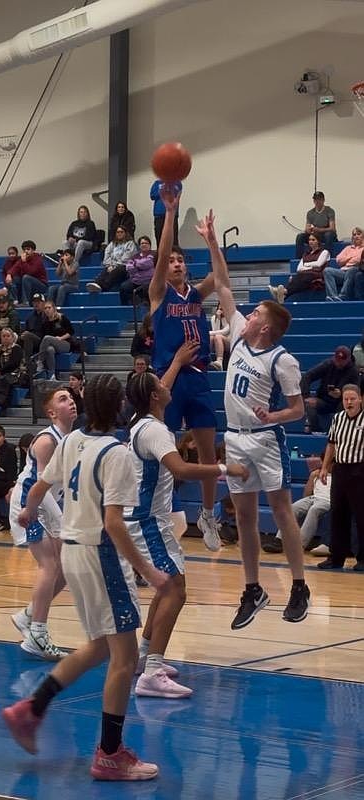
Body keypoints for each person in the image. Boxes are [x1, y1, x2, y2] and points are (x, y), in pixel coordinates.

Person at [2, 374, 168, 781]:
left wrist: (27, 511)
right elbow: (114, 522)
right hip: (100, 554)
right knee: (126, 658)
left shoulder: (71, 441)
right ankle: (110, 754)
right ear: (122, 409)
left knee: (99, 648)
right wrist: (147, 569)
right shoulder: (117, 454)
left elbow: (40, 484)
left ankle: (31, 708)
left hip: (74, 554)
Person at [197, 208, 310, 627]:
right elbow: (223, 284)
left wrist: (273, 412)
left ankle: (299, 585)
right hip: (236, 436)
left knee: (280, 509)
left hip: (265, 439)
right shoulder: (241, 333)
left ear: (265, 327)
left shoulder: (283, 359)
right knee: (242, 515)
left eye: (257, 314)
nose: (249, 315)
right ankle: (252, 589)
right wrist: (211, 240)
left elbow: (297, 410)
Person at [125, 349, 248, 699]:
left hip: (147, 519)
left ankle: (145, 655)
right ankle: (151, 674)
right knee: (177, 591)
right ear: (154, 396)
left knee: (166, 589)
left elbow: (157, 385)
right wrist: (225, 468)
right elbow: (181, 470)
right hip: (149, 522)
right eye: (161, 384)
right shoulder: (156, 431)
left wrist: (176, 361)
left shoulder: (143, 424)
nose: (168, 385)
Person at [149, 186, 220, 550]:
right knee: (165, 456)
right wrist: (171, 213)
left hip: (199, 379)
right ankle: (160, 516)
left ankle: (207, 514)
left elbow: (221, 279)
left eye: (180, 260)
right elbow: (160, 256)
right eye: (172, 260)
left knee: (209, 453)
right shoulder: (159, 293)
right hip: (168, 380)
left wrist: (212, 243)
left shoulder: (195, 294)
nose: (175, 263)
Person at [9, 389, 77, 659]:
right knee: (49, 565)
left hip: (49, 504)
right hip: (31, 502)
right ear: (50, 412)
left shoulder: (71, 438)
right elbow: (41, 487)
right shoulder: (47, 441)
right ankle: (37, 633)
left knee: (67, 568)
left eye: (71, 397)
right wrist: (62, 523)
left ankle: (27, 616)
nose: (70, 401)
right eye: (62, 399)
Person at [317, 384, 364, 571]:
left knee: (362, 516)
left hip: (360, 470)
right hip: (340, 470)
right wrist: (324, 467)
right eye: (346, 399)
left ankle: (363, 558)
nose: (349, 402)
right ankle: (336, 557)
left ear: (360, 398)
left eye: (352, 398)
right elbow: (331, 444)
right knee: (337, 515)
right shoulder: (337, 418)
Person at [262, 457, 332, 553]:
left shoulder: (339, 475)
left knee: (314, 510)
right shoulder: (317, 474)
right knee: (292, 508)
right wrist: (311, 478)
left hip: (327, 500)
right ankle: (279, 541)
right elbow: (306, 495)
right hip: (313, 498)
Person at [301, 346, 359, 433]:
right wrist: (306, 395)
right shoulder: (328, 364)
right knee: (309, 404)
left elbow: (356, 391)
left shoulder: (354, 371)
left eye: (342, 361)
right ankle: (316, 430)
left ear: (348, 359)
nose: (339, 363)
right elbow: (307, 376)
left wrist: (342, 394)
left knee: (347, 404)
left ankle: (339, 431)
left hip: (341, 403)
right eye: (337, 360)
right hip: (324, 401)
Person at [269, 233, 330, 303]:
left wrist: (306, 265)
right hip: (305, 275)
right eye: (309, 240)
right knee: (296, 277)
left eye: (313, 240)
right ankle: (284, 294)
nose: (311, 242)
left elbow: (319, 264)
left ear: (318, 241)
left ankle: (283, 292)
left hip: (318, 275)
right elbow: (299, 268)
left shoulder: (325, 252)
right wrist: (310, 267)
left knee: (302, 277)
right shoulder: (306, 253)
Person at [86, 226, 137, 293]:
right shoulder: (112, 244)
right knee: (106, 269)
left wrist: (114, 266)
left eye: (121, 232)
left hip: (125, 267)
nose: (119, 234)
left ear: (125, 233)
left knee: (118, 269)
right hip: (112, 266)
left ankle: (103, 287)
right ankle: (96, 283)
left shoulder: (130, 243)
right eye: (118, 232)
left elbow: (126, 258)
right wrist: (110, 265)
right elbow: (107, 255)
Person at [37, 301, 75, 380]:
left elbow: (71, 332)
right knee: (49, 350)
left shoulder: (62, 318)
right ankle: (52, 375)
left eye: (49, 307)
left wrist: (61, 338)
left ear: (54, 308)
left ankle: (40, 361)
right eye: (45, 308)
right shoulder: (45, 322)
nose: (47, 310)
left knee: (47, 338)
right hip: (52, 345)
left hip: (65, 343)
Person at [323, 227, 364, 301]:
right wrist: (351, 258)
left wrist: (346, 260)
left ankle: (343, 296)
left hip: (355, 271)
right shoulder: (348, 248)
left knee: (353, 269)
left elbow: (358, 260)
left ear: (363, 236)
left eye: (358, 234)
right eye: (354, 235)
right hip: (343, 272)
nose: (356, 236)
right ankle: (333, 296)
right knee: (327, 270)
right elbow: (338, 260)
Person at [295, 191, 337, 259]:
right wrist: (308, 230)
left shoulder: (330, 211)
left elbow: (332, 228)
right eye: (315, 200)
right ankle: (299, 259)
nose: (317, 201)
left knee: (328, 235)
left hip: (326, 235)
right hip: (316, 235)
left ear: (323, 200)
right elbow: (307, 227)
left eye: (319, 199)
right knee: (300, 236)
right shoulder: (310, 213)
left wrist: (319, 229)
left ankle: (327, 258)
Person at [119, 236, 156, 306]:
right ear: (139, 246)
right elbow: (129, 267)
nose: (144, 245)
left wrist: (135, 264)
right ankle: (125, 308)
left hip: (148, 281)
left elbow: (146, 263)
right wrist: (139, 266)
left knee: (146, 289)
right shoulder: (135, 256)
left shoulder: (153, 254)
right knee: (123, 287)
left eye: (146, 243)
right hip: (135, 280)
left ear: (150, 245)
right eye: (142, 243)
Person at [12, 241, 48, 305]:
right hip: (29, 284)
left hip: (41, 285)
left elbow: (30, 272)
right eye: (24, 250)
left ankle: (26, 302)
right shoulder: (23, 260)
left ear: (33, 250)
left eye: (28, 249)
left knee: (26, 278)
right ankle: (15, 301)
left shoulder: (38, 259)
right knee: (15, 278)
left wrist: (24, 262)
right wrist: (9, 274)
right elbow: (14, 268)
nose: (26, 251)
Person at [150, 179, 182, 247]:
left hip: (172, 216)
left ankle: (174, 256)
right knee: (159, 238)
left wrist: (168, 187)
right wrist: (163, 189)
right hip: (159, 215)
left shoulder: (177, 182)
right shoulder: (157, 183)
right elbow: (152, 196)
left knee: (173, 240)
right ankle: (160, 256)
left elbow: (176, 193)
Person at [20, 293, 47, 367]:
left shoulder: (47, 315)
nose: (36, 304)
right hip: (30, 340)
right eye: (34, 302)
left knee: (27, 335)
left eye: (38, 302)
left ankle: (27, 363)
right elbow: (25, 329)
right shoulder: (30, 316)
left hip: (43, 341)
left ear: (44, 303)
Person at [209, 303, 230, 370]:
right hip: (219, 341)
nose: (221, 311)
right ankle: (207, 358)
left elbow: (224, 331)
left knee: (218, 337)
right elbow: (215, 331)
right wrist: (218, 319)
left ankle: (219, 362)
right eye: (220, 309)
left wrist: (207, 333)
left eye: (223, 309)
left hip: (230, 342)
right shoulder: (213, 318)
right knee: (211, 337)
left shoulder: (231, 318)